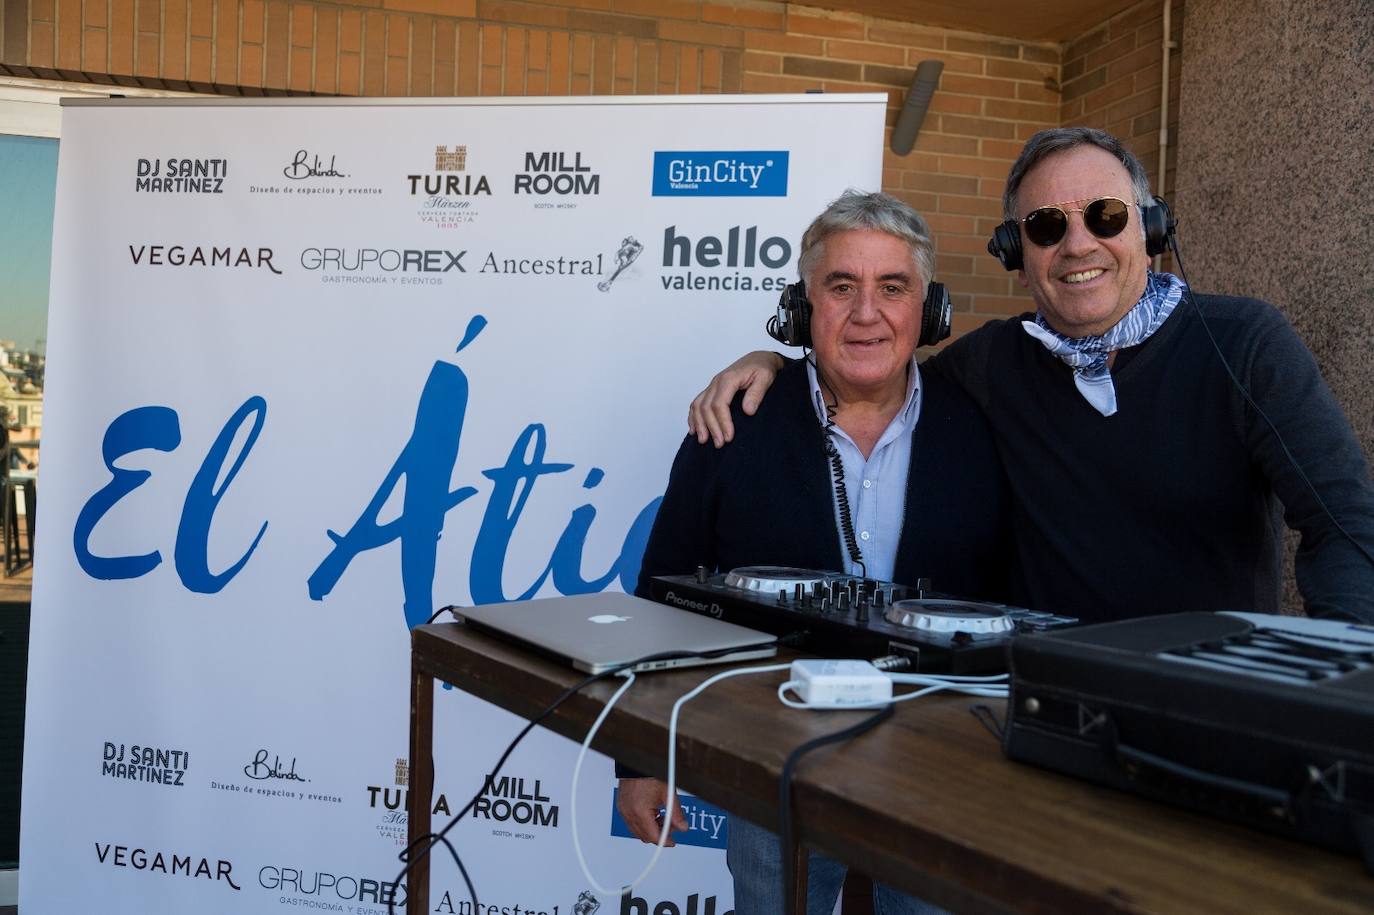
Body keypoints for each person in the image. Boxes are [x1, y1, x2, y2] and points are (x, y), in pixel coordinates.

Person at [686, 127, 1374, 625]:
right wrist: (776, 362)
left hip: (1213, 725)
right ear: (1017, 251)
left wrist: (1330, 682)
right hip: (1039, 723)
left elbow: (1347, 527)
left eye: (1105, 216)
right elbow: (872, 359)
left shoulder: (1247, 343)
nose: (1079, 243)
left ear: (1150, 229)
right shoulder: (989, 364)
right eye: (1046, 226)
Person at [618, 190, 1014, 915]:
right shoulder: (734, 425)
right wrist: (642, 758)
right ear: (801, 309)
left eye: (892, 288)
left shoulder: (980, 429)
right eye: (841, 287)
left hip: (939, 772)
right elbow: (660, 597)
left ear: (929, 310)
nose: (867, 313)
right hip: (776, 760)